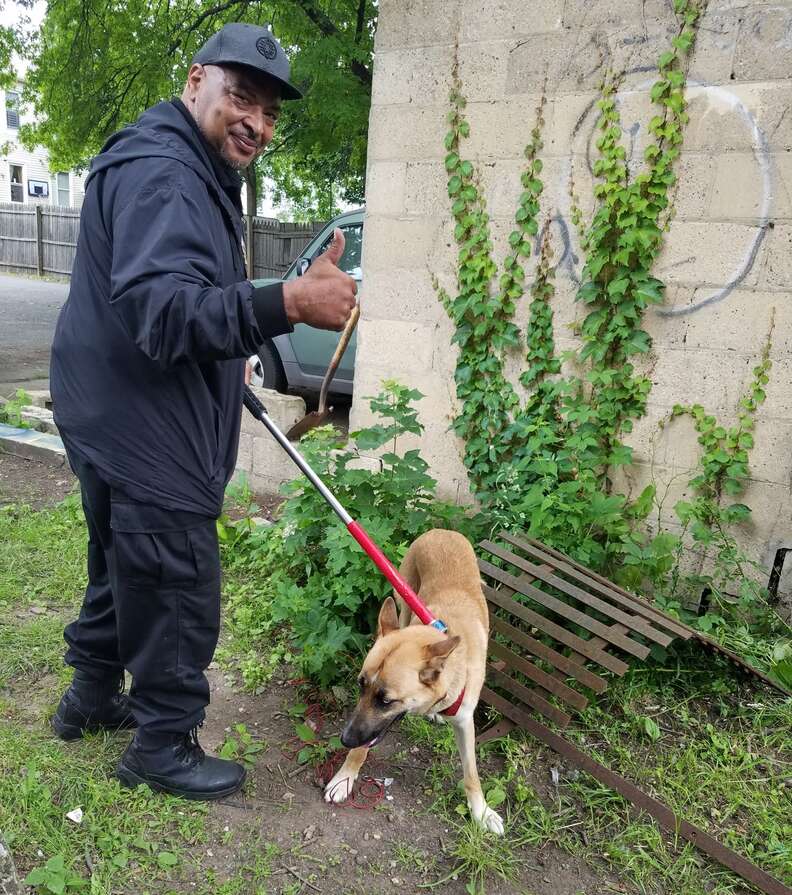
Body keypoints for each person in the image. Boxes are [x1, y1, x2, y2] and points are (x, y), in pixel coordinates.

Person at [49, 22, 357, 801]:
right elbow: (163, 310)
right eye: (241, 97)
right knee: (173, 577)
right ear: (196, 83)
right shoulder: (168, 175)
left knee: (123, 564)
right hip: (146, 430)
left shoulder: (176, 161)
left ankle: (88, 697)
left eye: (270, 110)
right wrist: (287, 302)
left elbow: (167, 299)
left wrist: (231, 355)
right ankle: (162, 745)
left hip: (105, 408)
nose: (256, 120)